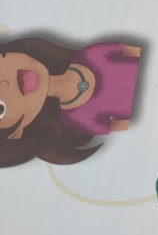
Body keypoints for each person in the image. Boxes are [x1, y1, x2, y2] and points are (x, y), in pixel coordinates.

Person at [0, 35, 142, 168]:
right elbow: (136, 122)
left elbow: (139, 55)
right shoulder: (80, 121)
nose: (4, 85)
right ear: (16, 134)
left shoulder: (91, 54)